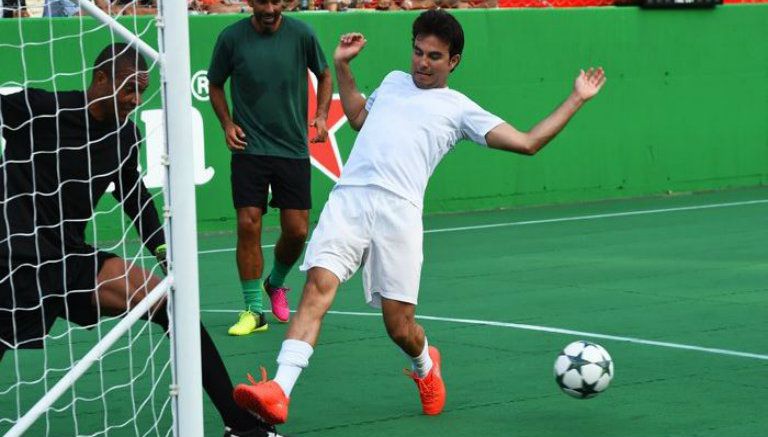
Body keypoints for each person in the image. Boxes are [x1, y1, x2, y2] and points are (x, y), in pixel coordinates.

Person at [231, 10, 606, 424]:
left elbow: (528, 142)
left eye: (434, 56)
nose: (422, 63)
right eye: (418, 52)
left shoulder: (459, 109)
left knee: (399, 327)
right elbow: (358, 119)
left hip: (400, 215)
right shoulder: (393, 81)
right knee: (317, 286)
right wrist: (342, 67)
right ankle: (280, 390)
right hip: (349, 200)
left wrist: (576, 98)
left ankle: (426, 365)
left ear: (453, 61)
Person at [0, 43, 280, 437]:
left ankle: (240, 425)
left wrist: (164, 249)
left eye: (141, 91)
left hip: (66, 257)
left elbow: (133, 196)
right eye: (128, 88)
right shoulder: (42, 108)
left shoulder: (125, 134)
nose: (135, 99)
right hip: (10, 256)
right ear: (101, 79)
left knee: (169, 305)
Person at [208, 0, 332, 336]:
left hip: (292, 149)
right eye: (262, 1)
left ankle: (274, 282)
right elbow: (215, 84)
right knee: (248, 223)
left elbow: (324, 74)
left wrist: (322, 115)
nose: (269, 8)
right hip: (249, 148)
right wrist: (227, 123)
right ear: (250, 2)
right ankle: (254, 311)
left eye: (276, 1)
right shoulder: (231, 38)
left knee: (297, 231)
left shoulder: (302, 34)